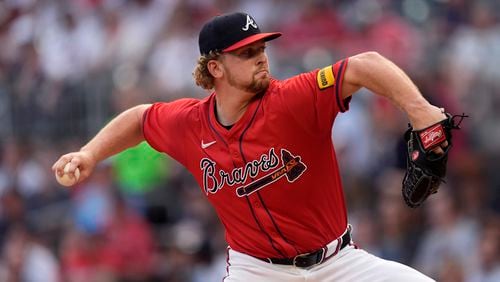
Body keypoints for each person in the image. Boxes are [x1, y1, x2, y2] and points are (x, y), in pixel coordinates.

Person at [53, 12, 447, 281]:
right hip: (258, 272)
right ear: (215, 67)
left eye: (261, 49)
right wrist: (89, 154)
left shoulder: (294, 98)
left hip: (338, 263)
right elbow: (140, 118)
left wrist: (423, 112)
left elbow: (365, 64)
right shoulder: (190, 123)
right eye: (246, 53)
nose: (261, 58)